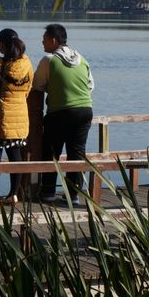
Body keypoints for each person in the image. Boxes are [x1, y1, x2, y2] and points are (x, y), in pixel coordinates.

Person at [33, 23, 94, 205]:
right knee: (77, 153)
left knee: (51, 152)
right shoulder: (82, 59)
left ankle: (48, 193)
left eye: (44, 38)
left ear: (53, 40)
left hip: (60, 112)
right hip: (85, 110)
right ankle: (73, 195)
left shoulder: (49, 60)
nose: (42, 42)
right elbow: (91, 85)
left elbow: (37, 85)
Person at [0, 28, 33, 207]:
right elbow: (28, 90)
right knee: (15, 155)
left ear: (2, 45)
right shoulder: (27, 64)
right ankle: (13, 194)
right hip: (20, 115)